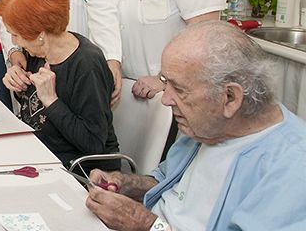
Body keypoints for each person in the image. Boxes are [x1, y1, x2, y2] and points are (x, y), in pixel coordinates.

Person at [86, 21, 306, 231]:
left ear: (230, 97)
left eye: (179, 89)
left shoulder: (292, 169)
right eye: (166, 82)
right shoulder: (208, 126)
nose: (165, 99)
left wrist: (147, 224)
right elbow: (165, 179)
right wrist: (125, 183)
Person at [0, 0, 119, 174]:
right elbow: (35, 110)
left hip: (79, 172)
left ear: (40, 34)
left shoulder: (87, 65)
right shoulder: (37, 53)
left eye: (16, 35)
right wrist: (16, 81)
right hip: (39, 157)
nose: (13, 42)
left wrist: (52, 101)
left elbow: (93, 144)